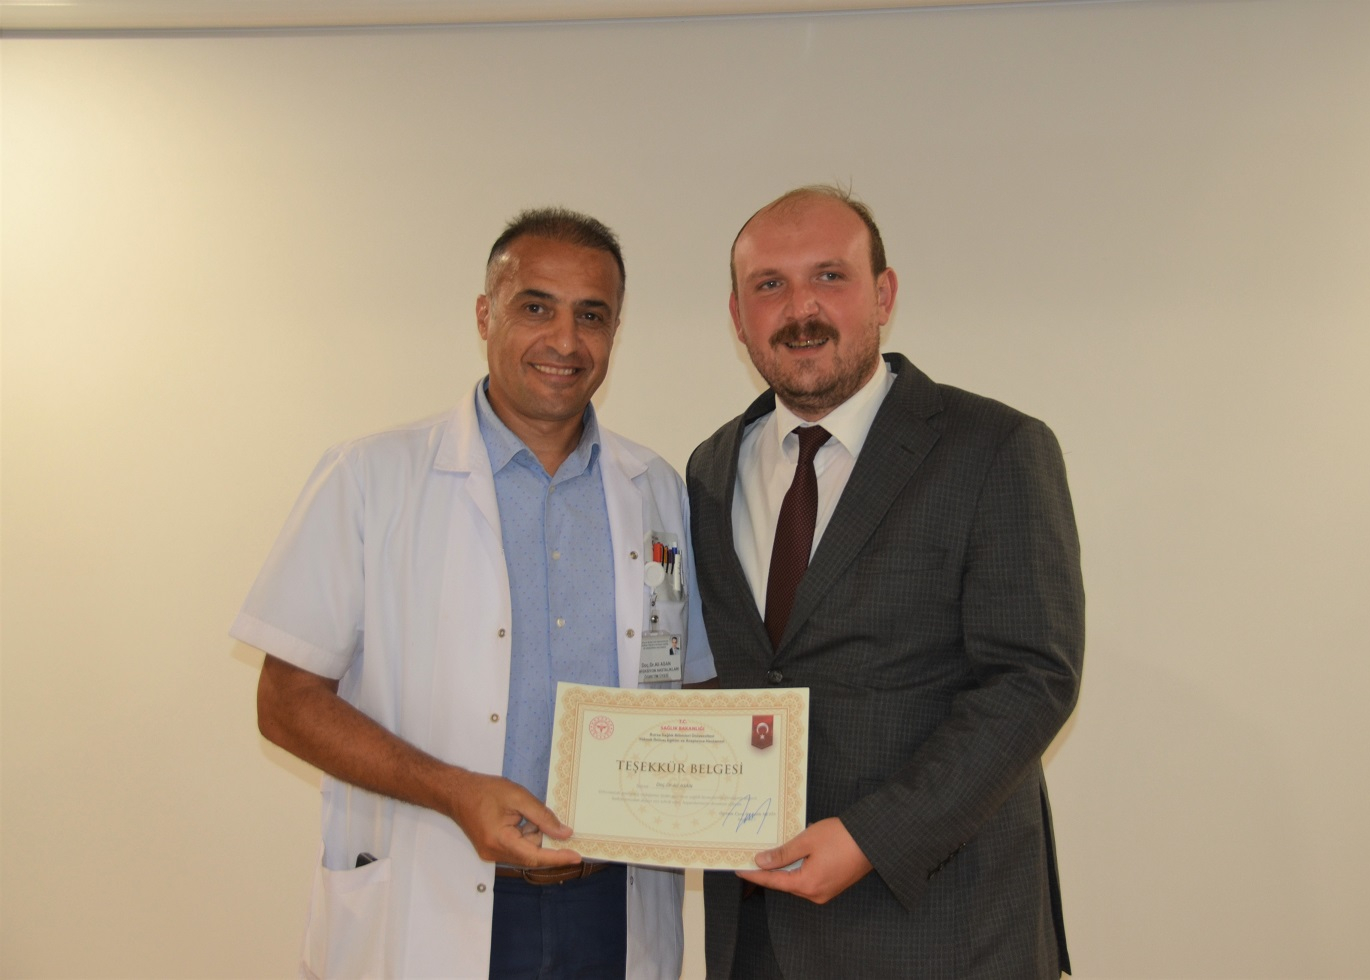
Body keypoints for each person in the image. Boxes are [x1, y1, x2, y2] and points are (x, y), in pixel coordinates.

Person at [231, 208, 713, 979]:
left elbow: (676, 681)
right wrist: (455, 792)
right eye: (536, 307)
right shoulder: (369, 478)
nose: (565, 340)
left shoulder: (653, 487)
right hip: (431, 891)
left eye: (591, 316)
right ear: (486, 315)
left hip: (612, 906)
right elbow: (285, 703)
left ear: (615, 333)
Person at [686, 186, 1085, 979]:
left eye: (829, 276)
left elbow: (1031, 680)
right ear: (737, 315)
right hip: (757, 933)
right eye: (769, 285)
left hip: (941, 931)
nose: (800, 308)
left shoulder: (994, 448)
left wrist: (872, 837)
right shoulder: (708, 468)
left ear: (883, 295)